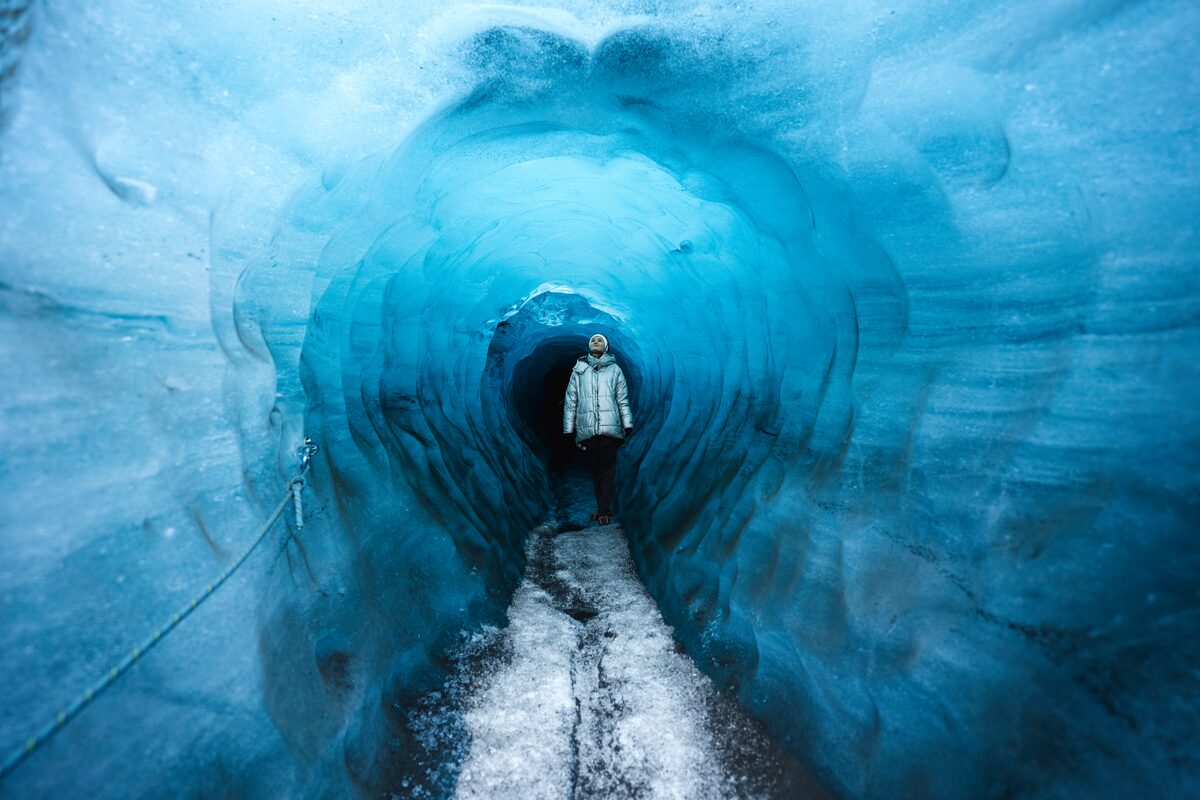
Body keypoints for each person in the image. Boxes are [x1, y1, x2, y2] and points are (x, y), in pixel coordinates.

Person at [563, 333, 633, 525]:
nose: (595, 342)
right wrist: (568, 428)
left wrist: (627, 424)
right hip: (587, 429)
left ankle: (604, 510)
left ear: (606, 347)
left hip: (610, 428)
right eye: (593, 340)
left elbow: (622, 399)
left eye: (600, 340)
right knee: (595, 470)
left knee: (607, 469)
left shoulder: (615, 370)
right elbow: (571, 400)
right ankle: (601, 507)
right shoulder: (579, 370)